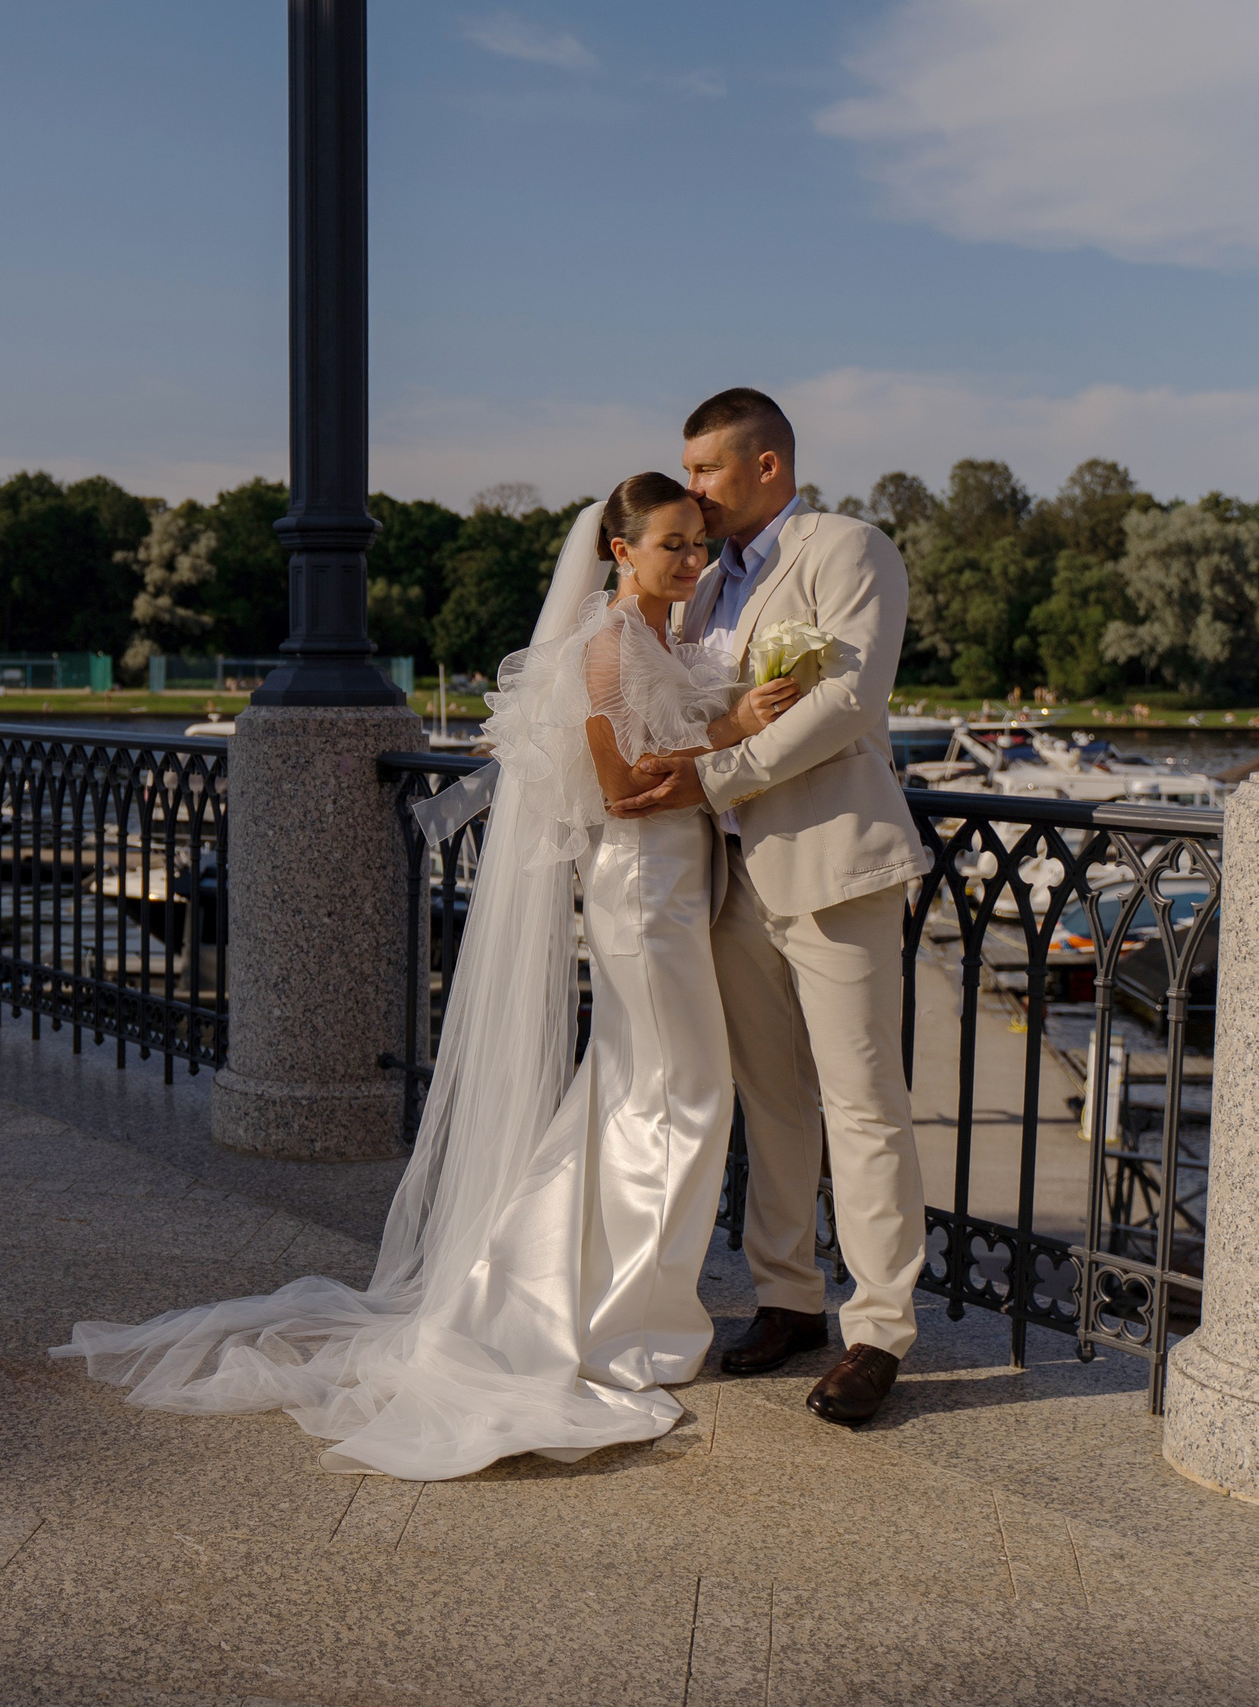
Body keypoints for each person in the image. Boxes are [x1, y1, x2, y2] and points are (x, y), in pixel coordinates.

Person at [52, 474, 800, 1480]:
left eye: (697, 548)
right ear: (618, 551)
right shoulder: (606, 648)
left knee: (638, 1095)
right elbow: (623, 792)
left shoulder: (659, 639)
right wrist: (735, 729)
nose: (690, 563)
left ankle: (578, 1300)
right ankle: (616, 1322)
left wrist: (721, 728)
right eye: (671, 545)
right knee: (683, 1095)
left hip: (671, 893)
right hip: (638, 898)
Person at [610, 388, 930, 1427]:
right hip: (730, 877)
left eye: (703, 470)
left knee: (863, 1102)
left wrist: (712, 776)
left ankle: (878, 1331)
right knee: (773, 1101)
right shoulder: (699, 586)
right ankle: (787, 1296)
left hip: (834, 865)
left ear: (765, 467)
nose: (690, 489)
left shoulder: (848, 549)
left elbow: (846, 705)